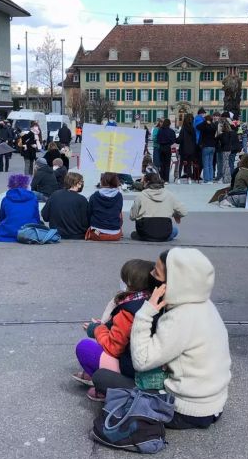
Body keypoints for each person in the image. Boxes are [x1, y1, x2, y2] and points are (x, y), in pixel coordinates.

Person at [95, 248, 232, 429]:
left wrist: (146, 311)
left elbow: (141, 361)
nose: (151, 275)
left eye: (156, 273)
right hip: (213, 404)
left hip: (184, 411)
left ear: (173, 282)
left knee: (102, 377)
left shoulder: (180, 317)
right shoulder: (205, 305)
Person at [73, 259, 155, 398]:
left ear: (130, 282)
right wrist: (105, 327)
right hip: (149, 367)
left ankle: (110, 388)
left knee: (85, 348)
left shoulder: (130, 309)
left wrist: (97, 330)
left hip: (133, 370)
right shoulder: (153, 300)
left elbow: (113, 347)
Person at [129, 172, 187, 242]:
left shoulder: (141, 195)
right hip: (164, 231)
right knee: (175, 230)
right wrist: (174, 214)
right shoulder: (169, 194)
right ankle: (161, 237)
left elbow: (132, 216)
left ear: (147, 182)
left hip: (145, 230)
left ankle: (145, 237)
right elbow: (184, 212)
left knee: (135, 233)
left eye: (143, 182)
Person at [42, 171, 89, 239]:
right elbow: (85, 222)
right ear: (78, 184)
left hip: (56, 235)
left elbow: (45, 216)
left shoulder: (54, 195)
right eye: (82, 182)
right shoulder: (82, 200)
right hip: (77, 236)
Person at [0, 173, 40, 242]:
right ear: (26, 185)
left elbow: (2, 217)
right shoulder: (33, 198)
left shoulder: (6, 199)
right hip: (29, 233)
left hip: (7, 234)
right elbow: (36, 217)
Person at [86, 172, 123, 241]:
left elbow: (89, 213)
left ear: (102, 181)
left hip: (97, 233)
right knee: (120, 213)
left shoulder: (94, 196)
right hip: (115, 234)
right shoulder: (119, 196)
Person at [176, 115, 199, 183]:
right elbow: (195, 140)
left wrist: (174, 140)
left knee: (181, 164)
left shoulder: (183, 129)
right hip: (191, 150)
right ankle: (189, 178)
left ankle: (179, 178)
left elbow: (180, 139)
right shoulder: (193, 129)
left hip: (183, 149)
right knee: (189, 164)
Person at [197, 113, 217, 183]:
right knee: (210, 164)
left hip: (206, 146)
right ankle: (211, 178)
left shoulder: (204, 126)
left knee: (205, 164)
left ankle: (206, 179)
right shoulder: (214, 126)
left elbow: (197, 127)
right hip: (213, 146)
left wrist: (205, 122)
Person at [156, 118, 176, 183]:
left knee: (162, 164)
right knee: (167, 164)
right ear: (169, 124)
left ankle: (162, 178)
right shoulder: (171, 131)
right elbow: (173, 140)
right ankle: (166, 179)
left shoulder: (160, 130)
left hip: (161, 148)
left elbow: (157, 139)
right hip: (168, 148)